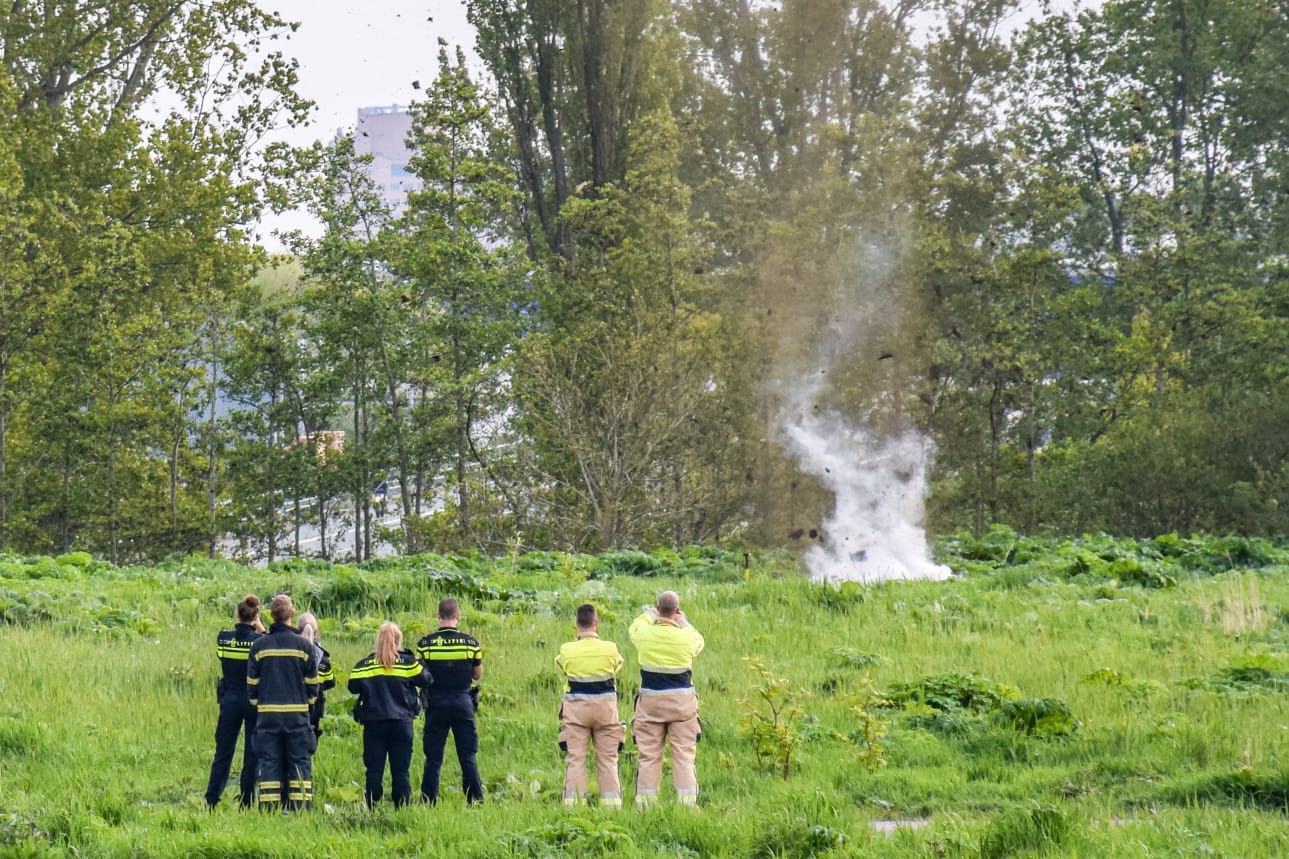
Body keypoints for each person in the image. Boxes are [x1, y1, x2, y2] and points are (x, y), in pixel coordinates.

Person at [628, 590, 705, 809]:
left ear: (657, 608)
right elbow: (699, 641)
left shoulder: (644, 634)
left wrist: (650, 615)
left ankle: (645, 806)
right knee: (684, 756)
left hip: (651, 703)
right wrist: (683, 622)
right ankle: (687, 806)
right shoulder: (687, 637)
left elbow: (634, 628)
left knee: (649, 756)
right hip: (682, 705)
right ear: (677, 611)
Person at [247, 594, 320, 812]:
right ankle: (300, 809)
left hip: (267, 716)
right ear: (292, 613)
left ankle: (269, 810)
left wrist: (259, 704)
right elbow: (313, 685)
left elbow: (252, 686)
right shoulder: (305, 647)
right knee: (300, 762)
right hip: (297, 716)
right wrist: (305, 703)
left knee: (269, 762)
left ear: (271, 615)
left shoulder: (259, 646)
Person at [348, 622, 432, 807]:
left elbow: (352, 686)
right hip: (402, 723)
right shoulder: (408, 663)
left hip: (374, 724)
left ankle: (373, 808)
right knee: (401, 770)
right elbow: (426, 679)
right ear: (399, 641)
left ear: (378, 641)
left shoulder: (365, 665)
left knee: (374, 770)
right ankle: (402, 807)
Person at [415, 597, 484, 805]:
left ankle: (429, 800)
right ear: (458, 616)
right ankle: (475, 799)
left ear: (438, 615)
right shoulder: (471, 643)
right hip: (463, 701)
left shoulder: (425, 644)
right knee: (467, 755)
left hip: (436, 703)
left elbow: (420, 675)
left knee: (433, 756)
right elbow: (477, 675)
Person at [555, 603, 625, 809]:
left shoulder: (566, 650)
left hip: (576, 712)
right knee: (608, 759)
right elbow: (617, 666)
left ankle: (574, 806)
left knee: (576, 758)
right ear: (596, 623)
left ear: (576, 624)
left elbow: (562, 666)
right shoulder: (610, 648)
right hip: (605, 711)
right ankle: (612, 805)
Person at [204, 594, 265, 809]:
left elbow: (223, 658)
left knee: (223, 752)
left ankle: (212, 799)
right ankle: (247, 800)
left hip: (229, 699)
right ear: (255, 617)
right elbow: (268, 651)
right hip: (253, 701)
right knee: (252, 754)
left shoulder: (223, 638)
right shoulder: (259, 642)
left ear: (237, 615)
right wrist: (262, 629)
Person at [296, 612, 335, 751]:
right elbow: (330, 681)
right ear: (316, 631)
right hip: (315, 706)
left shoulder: (293, 651)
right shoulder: (322, 657)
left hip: (293, 702)